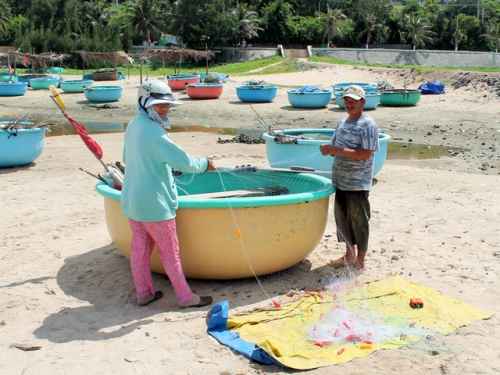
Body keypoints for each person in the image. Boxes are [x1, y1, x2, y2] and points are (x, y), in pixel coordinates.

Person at [121, 79, 214, 307]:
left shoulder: (133, 125)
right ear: (144, 103)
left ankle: (144, 293)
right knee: (170, 253)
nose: (163, 109)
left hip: (133, 201)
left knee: (140, 250)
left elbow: (125, 158)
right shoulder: (154, 132)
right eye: (158, 105)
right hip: (156, 205)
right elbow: (184, 162)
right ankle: (185, 297)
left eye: (166, 105)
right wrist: (205, 164)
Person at [320, 85, 379, 271]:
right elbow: (336, 145)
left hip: (357, 183)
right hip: (340, 180)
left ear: (362, 102)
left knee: (359, 221)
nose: (349, 104)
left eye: (353, 101)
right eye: (346, 101)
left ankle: (360, 261)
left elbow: (365, 154)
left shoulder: (368, 124)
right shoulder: (342, 121)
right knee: (342, 220)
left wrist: (336, 150)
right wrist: (329, 150)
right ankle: (348, 254)